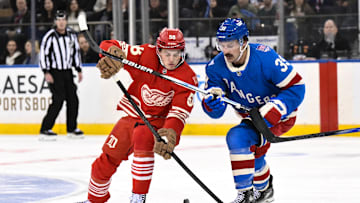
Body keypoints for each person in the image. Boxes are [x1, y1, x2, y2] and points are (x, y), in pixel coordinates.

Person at [82, 28, 197, 203]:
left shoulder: (187, 77)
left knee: (143, 136)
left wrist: (170, 133)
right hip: (133, 115)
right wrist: (113, 54)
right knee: (104, 161)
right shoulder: (146, 54)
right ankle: (94, 200)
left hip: (157, 123)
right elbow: (109, 45)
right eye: (167, 54)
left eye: (176, 54)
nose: (172, 59)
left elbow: (178, 112)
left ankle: (138, 198)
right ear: (159, 50)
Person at [201, 18, 305, 203]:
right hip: (252, 118)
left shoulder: (265, 58)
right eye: (221, 44)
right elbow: (215, 110)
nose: (225, 50)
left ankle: (246, 195)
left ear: (244, 42)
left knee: (238, 137)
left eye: (230, 44)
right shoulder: (216, 67)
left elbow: (297, 86)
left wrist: (276, 108)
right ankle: (263, 191)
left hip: (281, 117)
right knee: (253, 153)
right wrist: (211, 103)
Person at [39, 10, 84, 141]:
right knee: (58, 100)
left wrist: (79, 69)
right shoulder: (50, 36)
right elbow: (43, 54)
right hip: (54, 72)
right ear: (55, 22)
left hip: (68, 72)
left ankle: (71, 129)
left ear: (66, 21)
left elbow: (76, 53)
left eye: (63, 20)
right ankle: (45, 129)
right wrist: (46, 72)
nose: (61, 22)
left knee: (73, 99)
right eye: (59, 20)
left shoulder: (71, 35)